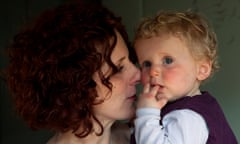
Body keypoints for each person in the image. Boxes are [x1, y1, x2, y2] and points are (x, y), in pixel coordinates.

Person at [6, 1, 140, 144]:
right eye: (118, 69)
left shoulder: (144, 135)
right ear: (77, 85)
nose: (138, 74)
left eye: (130, 61)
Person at [132, 10, 238, 144]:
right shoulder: (199, 105)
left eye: (168, 61)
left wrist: (146, 114)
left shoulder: (187, 117)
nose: (153, 71)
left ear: (202, 70)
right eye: (146, 64)